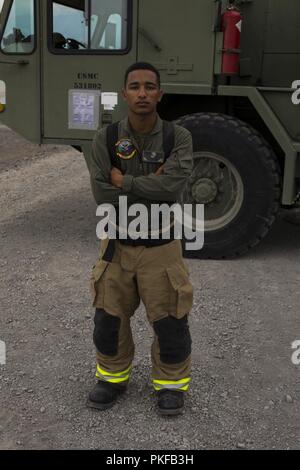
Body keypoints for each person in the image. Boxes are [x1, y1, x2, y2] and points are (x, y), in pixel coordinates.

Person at [86, 62, 194, 416]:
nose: (143, 93)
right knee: (108, 320)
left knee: (170, 322)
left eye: (150, 86)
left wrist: (126, 181)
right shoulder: (105, 138)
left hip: (162, 248)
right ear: (125, 93)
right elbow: (103, 195)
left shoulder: (177, 138)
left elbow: (174, 187)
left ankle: (170, 385)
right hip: (116, 245)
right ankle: (112, 378)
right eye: (135, 86)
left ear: (160, 93)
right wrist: (154, 184)